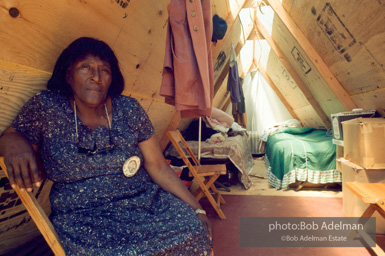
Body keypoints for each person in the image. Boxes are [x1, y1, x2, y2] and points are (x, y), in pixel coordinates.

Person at [0, 37, 213, 255]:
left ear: (112, 79)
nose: (96, 76)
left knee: (194, 231)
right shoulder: (47, 107)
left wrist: (197, 208)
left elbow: (158, 166)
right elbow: (12, 134)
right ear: (68, 74)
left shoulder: (129, 109)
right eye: (86, 67)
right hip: (84, 217)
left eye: (105, 70)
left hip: (144, 203)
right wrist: (14, 141)